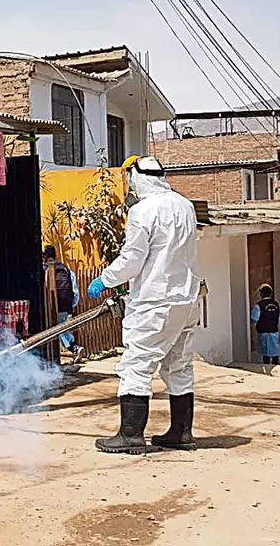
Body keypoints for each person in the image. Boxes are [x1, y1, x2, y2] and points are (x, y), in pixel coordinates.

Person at [88, 155, 202, 455]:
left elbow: (133, 258)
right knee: (179, 364)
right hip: (187, 299)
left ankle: (131, 435)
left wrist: (105, 279)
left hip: (155, 301)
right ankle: (181, 433)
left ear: (136, 178)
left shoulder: (143, 210)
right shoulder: (185, 205)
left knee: (136, 364)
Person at [43, 245, 84, 359]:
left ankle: (73, 348)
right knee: (61, 329)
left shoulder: (43, 270)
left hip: (48, 307)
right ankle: (74, 348)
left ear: (44, 257)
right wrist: (70, 305)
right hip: (64, 305)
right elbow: (75, 292)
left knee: (56, 331)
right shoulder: (67, 270)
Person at [252, 284, 280, 366]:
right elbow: (279, 316)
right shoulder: (276, 304)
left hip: (263, 331)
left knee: (265, 352)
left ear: (261, 294)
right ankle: (276, 366)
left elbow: (254, 318)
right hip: (274, 331)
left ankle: (267, 366)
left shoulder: (258, 305)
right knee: (275, 351)